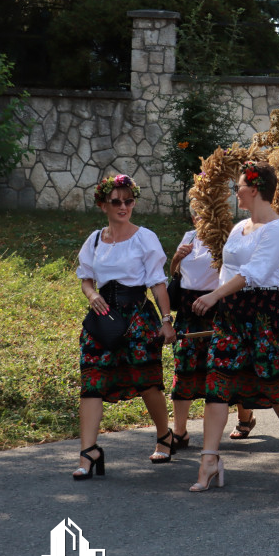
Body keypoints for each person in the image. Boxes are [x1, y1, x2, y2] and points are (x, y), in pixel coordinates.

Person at [188, 163, 279, 491]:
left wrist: (214, 296)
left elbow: (255, 272)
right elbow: (228, 270)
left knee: (274, 384)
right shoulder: (239, 227)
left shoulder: (278, 229)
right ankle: (209, 459)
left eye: (240, 186)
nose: (236, 191)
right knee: (217, 385)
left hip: (261, 312)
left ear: (254, 189)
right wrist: (219, 298)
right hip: (231, 314)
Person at [73, 174, 177, 480]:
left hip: (137, 319)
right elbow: (86, 277)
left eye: (128, 201)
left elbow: (158, 283)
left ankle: (164, 435)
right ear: (103, 204)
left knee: (147, 382)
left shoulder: (145, 237)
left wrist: (167, 320)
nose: (123, 206)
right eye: (116, 201)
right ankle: (88, 451)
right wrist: (91, 294)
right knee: (92, 381)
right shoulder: (94, 239)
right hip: (103, 318)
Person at [168, 207, 228, 450]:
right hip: (188, 312)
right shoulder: (189, 236)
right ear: (194, 218)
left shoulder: (227, 237)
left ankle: (244, 418)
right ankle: (180, 432)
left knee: (220, 371)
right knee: (183, 369)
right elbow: (175, 274)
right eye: (199, 214)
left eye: (209, 212)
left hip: (217, 310)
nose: (204, 218)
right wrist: (176, 258)